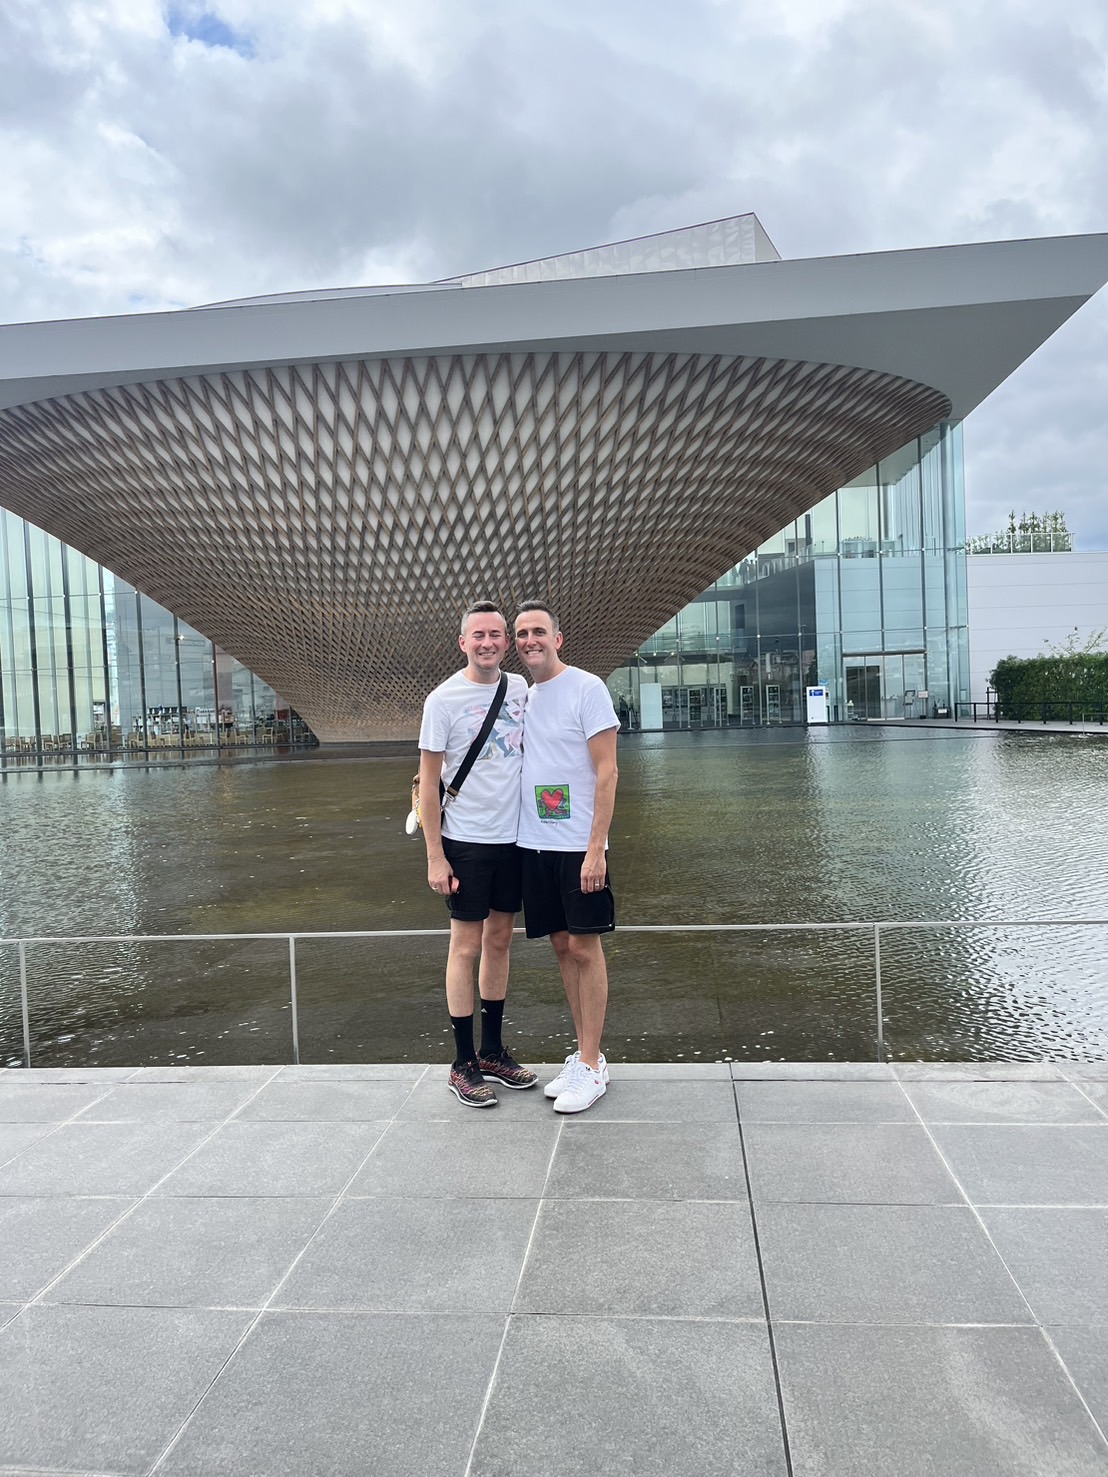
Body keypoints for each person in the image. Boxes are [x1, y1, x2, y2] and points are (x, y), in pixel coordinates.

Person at [418, 601, 538, 1107]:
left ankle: (492, 1051)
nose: (487, 643)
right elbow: (428, 783)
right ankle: (462, 1061)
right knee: (464, 946)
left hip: (513, 838)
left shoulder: (520, 689)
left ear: (505, 644)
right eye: (478, 636)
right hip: (465, 841)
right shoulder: (443, 699)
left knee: (501, 941)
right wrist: (435, 856)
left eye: (496, 635)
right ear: (462, 643)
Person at [514, 601, 619, 1113]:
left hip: (579, 845)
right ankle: (583, 1054)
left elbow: (608, 772)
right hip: (536, 843)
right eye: (522, 634)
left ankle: (595, 1065)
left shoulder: (587, 687)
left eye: (539, 631)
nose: (530, 640)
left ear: (559, 637)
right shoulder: (526, 697)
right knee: (560, 945)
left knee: (585, 947)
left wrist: (596, 849)